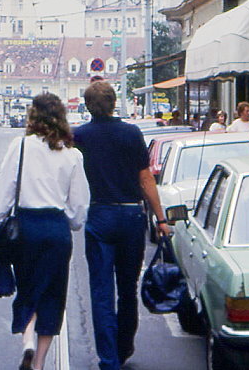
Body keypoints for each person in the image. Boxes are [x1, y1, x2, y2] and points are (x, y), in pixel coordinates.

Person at [73, 81, 171, 370]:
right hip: (130, 216)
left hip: (99, 215)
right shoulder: (131, 133)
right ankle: (124, 345)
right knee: (128, 288)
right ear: (115, 103)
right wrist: (161, 219)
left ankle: (108, 359)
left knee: (101, 291)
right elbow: (146, 179)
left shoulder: (80, 135)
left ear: (88, 106)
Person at [0, 93, 89, 370]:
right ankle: (40, 363)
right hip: (56, 230)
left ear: (32, 116)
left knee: (28, 288)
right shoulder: (72, 154)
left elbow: (6, 189)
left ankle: (28, 342)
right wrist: (70, 221)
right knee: (53, 294)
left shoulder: (19, 146)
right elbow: (79, 204)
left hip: (26, 228)